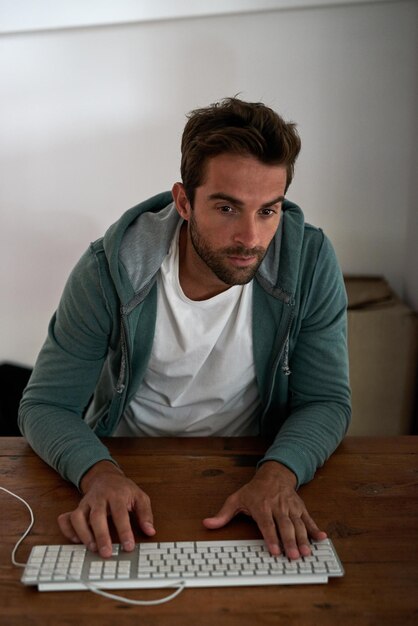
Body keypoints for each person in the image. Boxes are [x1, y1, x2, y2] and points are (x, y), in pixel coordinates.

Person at [19, 97, 351, 562]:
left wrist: (279, 475)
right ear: (184, 202)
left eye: (268, 211)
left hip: (254, 467)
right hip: (124, 465)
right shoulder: (109, 269)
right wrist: (99, 474)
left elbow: (326, 400)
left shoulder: (309, 262)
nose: (251, 238)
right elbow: (46, 405)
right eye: (227, 208)